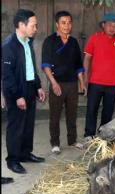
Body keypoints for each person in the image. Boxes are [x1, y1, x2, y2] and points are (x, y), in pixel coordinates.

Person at [2, 9, 46, 174]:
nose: (35, 28)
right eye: (33, 25)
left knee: (28, 124)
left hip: (29, 87)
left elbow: (30, 68)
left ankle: (25, 154)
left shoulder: (28, 42)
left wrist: (38, 86)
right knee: (15, 126)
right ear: (21, 25)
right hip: (15, 91)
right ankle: (12, 160)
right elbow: (7, 77)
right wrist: (18, 96)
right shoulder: (8, 46)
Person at [41, 10, 86, 154]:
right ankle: (55, 143)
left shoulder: (73, 42)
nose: (67, 26)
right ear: (57, 24)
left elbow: (79, 65)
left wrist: (82, 82)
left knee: (72, 114)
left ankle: (72, 140)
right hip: (57, 83)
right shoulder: (50, 41)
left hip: (72, 84)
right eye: (63, 23)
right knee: (55, 115)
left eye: (69, 23)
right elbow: (46, 65)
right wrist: (53, 83)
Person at [83, 12, 115, 141]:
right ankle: (89, 134)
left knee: (108, 111)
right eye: (110, 25)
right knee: (92, 109)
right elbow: (87, 58)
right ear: (103, 25)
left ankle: (103, 134)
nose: (113, 28)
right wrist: (85, 76)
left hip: (113, 84)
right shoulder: (94, 38)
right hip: (95, 82)